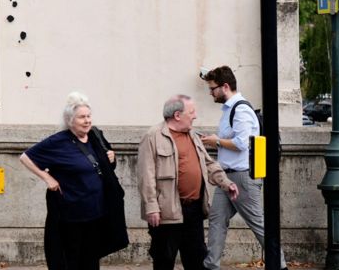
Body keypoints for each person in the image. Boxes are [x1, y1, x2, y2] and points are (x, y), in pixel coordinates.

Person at [19, 92, 128, 270]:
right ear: (70, 120)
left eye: (88, 116)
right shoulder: (58, 141)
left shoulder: (95, 137)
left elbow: (105, 168)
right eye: (81, 117)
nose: (87, 121)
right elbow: (25, 157)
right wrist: (47, 178)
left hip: (97, 212)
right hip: (72, 215)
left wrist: (111, 157)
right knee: (72, 260)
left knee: (91, 259)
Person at [199, 66, 288, 270]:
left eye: (212, 89)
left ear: (225, 86)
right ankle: (210, 265)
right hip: (227, 177)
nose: (210, 93)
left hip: (242, 176)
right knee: (216, 220)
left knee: (259, 224)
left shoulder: (241, 110)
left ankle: (280, 265)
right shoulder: (230, 110)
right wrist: (216, 140)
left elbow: (242, 143)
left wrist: (216, 141)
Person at [137, 94, 238, 270]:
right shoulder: (153, 136)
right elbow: (146, 175)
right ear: (177, 115)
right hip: (166, 213)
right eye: (191, 112)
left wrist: (226, 182)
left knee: (197, 260)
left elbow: (208, 164)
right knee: (164, 260)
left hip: (194, 211)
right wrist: (151, 207)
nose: (195, 116)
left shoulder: (193, 135)